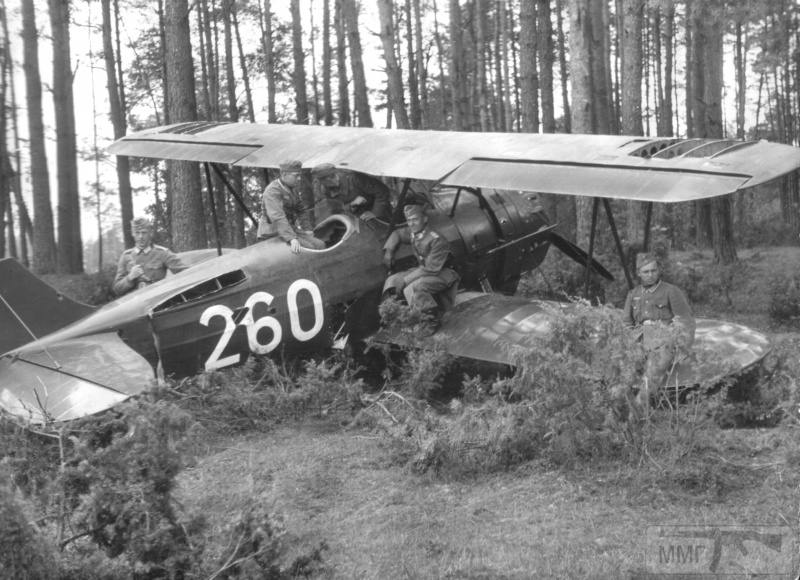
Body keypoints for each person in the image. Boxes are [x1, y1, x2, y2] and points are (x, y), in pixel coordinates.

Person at [623, 252, 695, 406]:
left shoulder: (671, 291)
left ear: (658, 271)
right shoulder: (633, 294)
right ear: (638, 273)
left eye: (653, 271)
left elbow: (685, 320)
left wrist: (684, 348)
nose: (650, 275)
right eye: (646, 272)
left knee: (651, 376)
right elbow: (627, 322)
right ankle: (620, 411)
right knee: (624, 374)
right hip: (639, 340)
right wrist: (628, 344)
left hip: (663, 340)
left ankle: (636, 414)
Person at [382, 204, 459, 332]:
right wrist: (389, 251)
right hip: (425, 270)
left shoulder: (436, 239)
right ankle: (395, 316)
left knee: (417, 287)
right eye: (409, 220)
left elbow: (430, 268)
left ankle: (430, 322)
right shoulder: (414, 232)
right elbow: (397, 234)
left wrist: (406, 279)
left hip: (442, 273)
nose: (411, 223)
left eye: (415, 219)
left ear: (425, 219)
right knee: (392, 281)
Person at [257, 160, 326, 253]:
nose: (299, 179)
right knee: (308, 249)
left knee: (320, 245)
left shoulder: (292, 189)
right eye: (296, 176)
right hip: (273, 232)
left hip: (289, 228)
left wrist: (308, 229)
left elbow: (301, 210)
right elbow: (277, 217)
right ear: (284, 174)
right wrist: (291, 239)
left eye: (299, 175)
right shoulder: (272, 192)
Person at [113, 217, 188, 296]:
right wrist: (130, 277)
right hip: (133, 304)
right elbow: (117, 289)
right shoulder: (126, 256)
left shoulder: (162, 253)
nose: (140, 236)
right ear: (132, 234)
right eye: (137, 233)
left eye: (144, 232)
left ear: (150, 233)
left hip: (155, 301)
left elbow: (186, 273)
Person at [311, 163, 393, 222]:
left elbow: (382, 191)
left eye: (320, 180)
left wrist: (375, 212)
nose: (319, 183)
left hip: (379, 210)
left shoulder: (355, 178)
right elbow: (336, 209)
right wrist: (352, 204)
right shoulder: (326, 190)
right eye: (321, 180)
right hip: (356, 218)